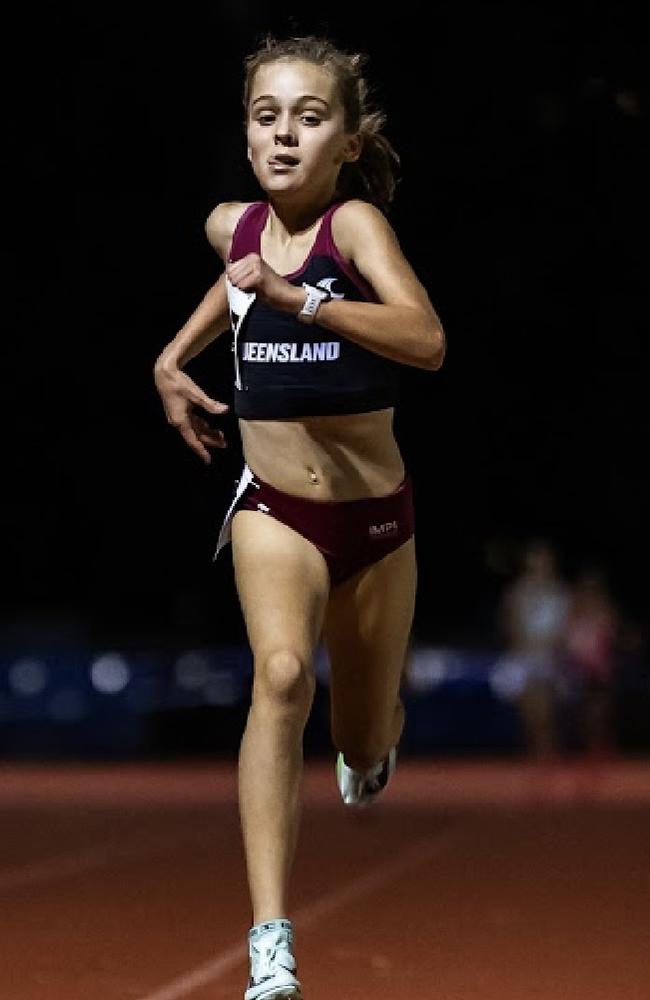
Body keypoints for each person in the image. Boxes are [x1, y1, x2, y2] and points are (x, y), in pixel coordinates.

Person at [153, 33, 445, 1000]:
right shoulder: (229, 225)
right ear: (245, 133)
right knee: (279, 677)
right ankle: (269, 941)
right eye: (265, 115)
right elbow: (231, 280)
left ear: (349, 143)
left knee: (360, 738)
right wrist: (170, 361)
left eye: (309, 118)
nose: (283, 133)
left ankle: (376, 739)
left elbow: (427, 340)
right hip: (273, 507)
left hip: (376, 523)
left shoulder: (354, 228)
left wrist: (301, 302)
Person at [492, 537, 570, 759]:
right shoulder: (516, 592)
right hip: (525, 657)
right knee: (530, 715)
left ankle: (548, 755)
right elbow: (509, 625)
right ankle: (537, 756)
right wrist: (525, 644)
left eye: (542, 558)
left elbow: (564, 628)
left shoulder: (560, 592)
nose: (538, 563)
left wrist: (548, 646)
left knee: (546, 714)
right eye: (534, 558)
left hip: (551, 658)